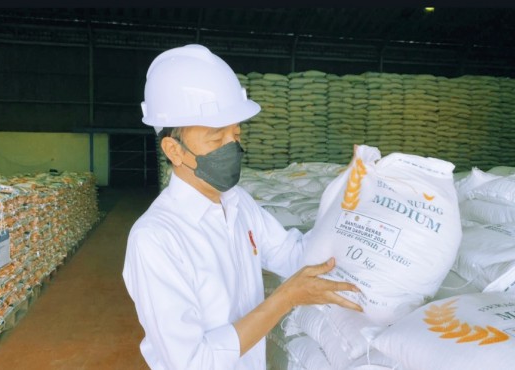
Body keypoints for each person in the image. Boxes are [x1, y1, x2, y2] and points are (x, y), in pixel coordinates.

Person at [122, 44, 361, 370]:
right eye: (216, 138)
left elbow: (293, 255)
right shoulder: (156, 239)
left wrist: (349, 201)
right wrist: (287, 298)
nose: (232, 147)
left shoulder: (238, 203)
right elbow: (192, 362)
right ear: (173, 150)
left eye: (235, 134)